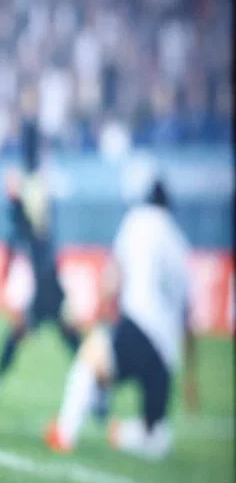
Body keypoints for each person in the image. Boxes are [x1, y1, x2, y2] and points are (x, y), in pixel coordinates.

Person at [46, 178, 197, 459]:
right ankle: (123, 428)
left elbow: (114, 276)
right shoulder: (180, 243)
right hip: (166, 356)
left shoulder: (138, 221)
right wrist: (190, 379)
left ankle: (65, 433)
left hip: (140, 325)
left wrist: (99, 317)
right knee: (157, 436)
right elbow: (189, 319)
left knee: (90, 356)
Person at [0, 88, 83, 409]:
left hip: (46, 277)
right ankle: (96, 397)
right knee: (66, 337)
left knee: (31, 334)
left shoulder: (33, 184)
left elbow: (29, 226)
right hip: (46, 274)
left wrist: (15, 200)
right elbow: (28, 227)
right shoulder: (37, 182)